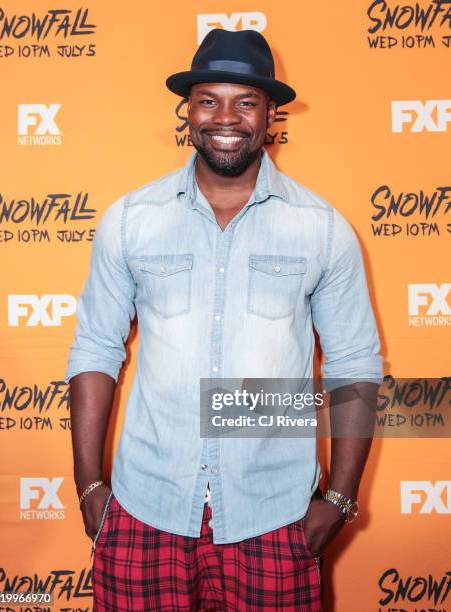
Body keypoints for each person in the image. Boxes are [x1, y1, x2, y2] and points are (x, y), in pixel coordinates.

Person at [65, 29, 383, 611]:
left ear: (270, 113)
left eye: (246, 101)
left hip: (275, 513)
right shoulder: (132, 220)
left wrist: (338, 500)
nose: (225, 117)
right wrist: (90, 487)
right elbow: (95, 348)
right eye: (209, 99)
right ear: (187, 111)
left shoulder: (323, 229)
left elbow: (354, 366)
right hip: (146, 508)